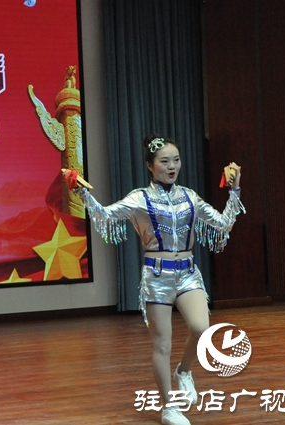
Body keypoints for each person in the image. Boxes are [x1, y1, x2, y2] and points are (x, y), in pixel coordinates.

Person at [66, 134, 244, 425]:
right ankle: (169, 408)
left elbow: (223, 224)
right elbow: (106, 215)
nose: (172, 166)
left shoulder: (190, 197)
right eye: (164, 161)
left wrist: (234, 191)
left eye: (176, 160)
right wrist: (82, 192)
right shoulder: (139, 198)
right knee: (162, 345)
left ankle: (183, 371)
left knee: (201, 328)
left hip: (188, 273)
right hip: (157, 276)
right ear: (150, 166)